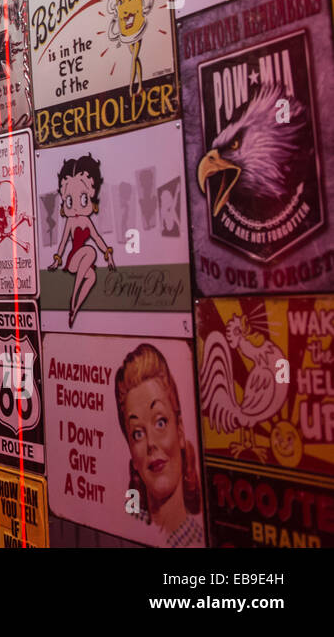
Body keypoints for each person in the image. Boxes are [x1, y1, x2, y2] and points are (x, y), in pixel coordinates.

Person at [115, 343, 205, 547]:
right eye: (137, 433)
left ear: (180, 430)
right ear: (130, 450)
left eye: (160, 422)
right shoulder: (125, 528)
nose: (151, 444)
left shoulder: (198, 541)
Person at [47, 153, 116, 327]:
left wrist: (109, 256)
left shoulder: (86, 220)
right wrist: (57, 261)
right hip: (73, 260)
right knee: (90, 251)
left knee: (91, 277)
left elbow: (98, 238)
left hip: (84, 261)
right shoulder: (71, 221)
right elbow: (63, 243)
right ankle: (74, 296)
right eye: (70, 200)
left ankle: (75, 308)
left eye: (83, 198)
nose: (76, 205)